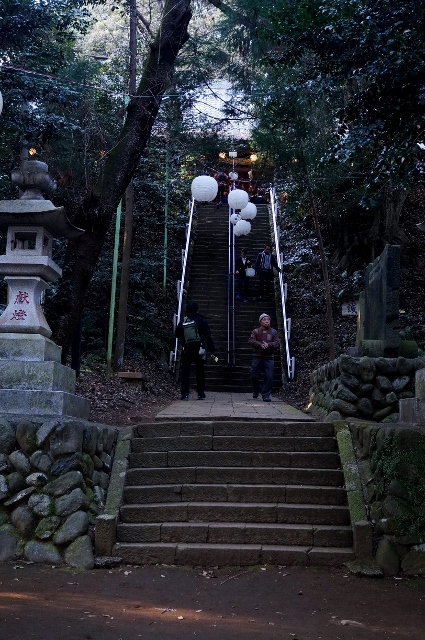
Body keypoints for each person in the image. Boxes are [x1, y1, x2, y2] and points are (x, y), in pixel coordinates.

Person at [175, 301, 215, 400]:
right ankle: (200, 393)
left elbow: (177, 333)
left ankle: (185, 394)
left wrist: (184, 341)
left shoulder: (183, 321)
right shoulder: (201, 320)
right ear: (197, 309)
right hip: (199, 348)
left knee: (185, 371)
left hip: (187, 349)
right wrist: (212, 349)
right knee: (200, 370)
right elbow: (207, 336)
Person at [248, 313, 280, 402]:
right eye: (264, 320)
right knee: (254, 375)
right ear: (260, 321)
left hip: (269, 357)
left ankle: (266, 395)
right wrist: (260, 344)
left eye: (268, 320)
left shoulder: (274, 332)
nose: (266, 321)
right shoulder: (255, 331)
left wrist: (268, 345)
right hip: (257, 356)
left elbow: (277, 343)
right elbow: (251, 341)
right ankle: (256, 389)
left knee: (269, 376)